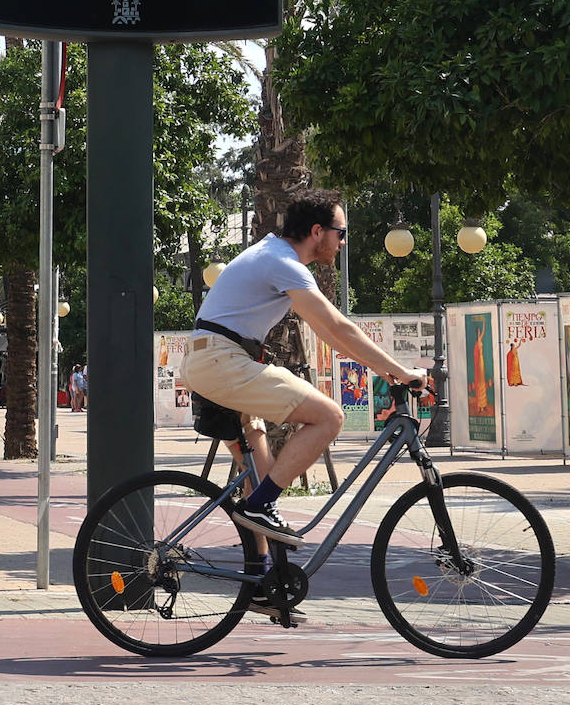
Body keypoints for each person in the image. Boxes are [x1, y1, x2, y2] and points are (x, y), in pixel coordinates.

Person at [181, 188, 424, 557]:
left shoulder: (272, 254)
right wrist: (400, 371)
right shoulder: (283, 263)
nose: (343, 242)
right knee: (329, 417)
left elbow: (329, 336)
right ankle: (260, 506)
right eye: (341, 233)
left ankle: (262, 581)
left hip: (214, 360)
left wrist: (383, 370)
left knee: (260, 478)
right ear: (316, 232)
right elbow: (339, 327)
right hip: (222, 361)